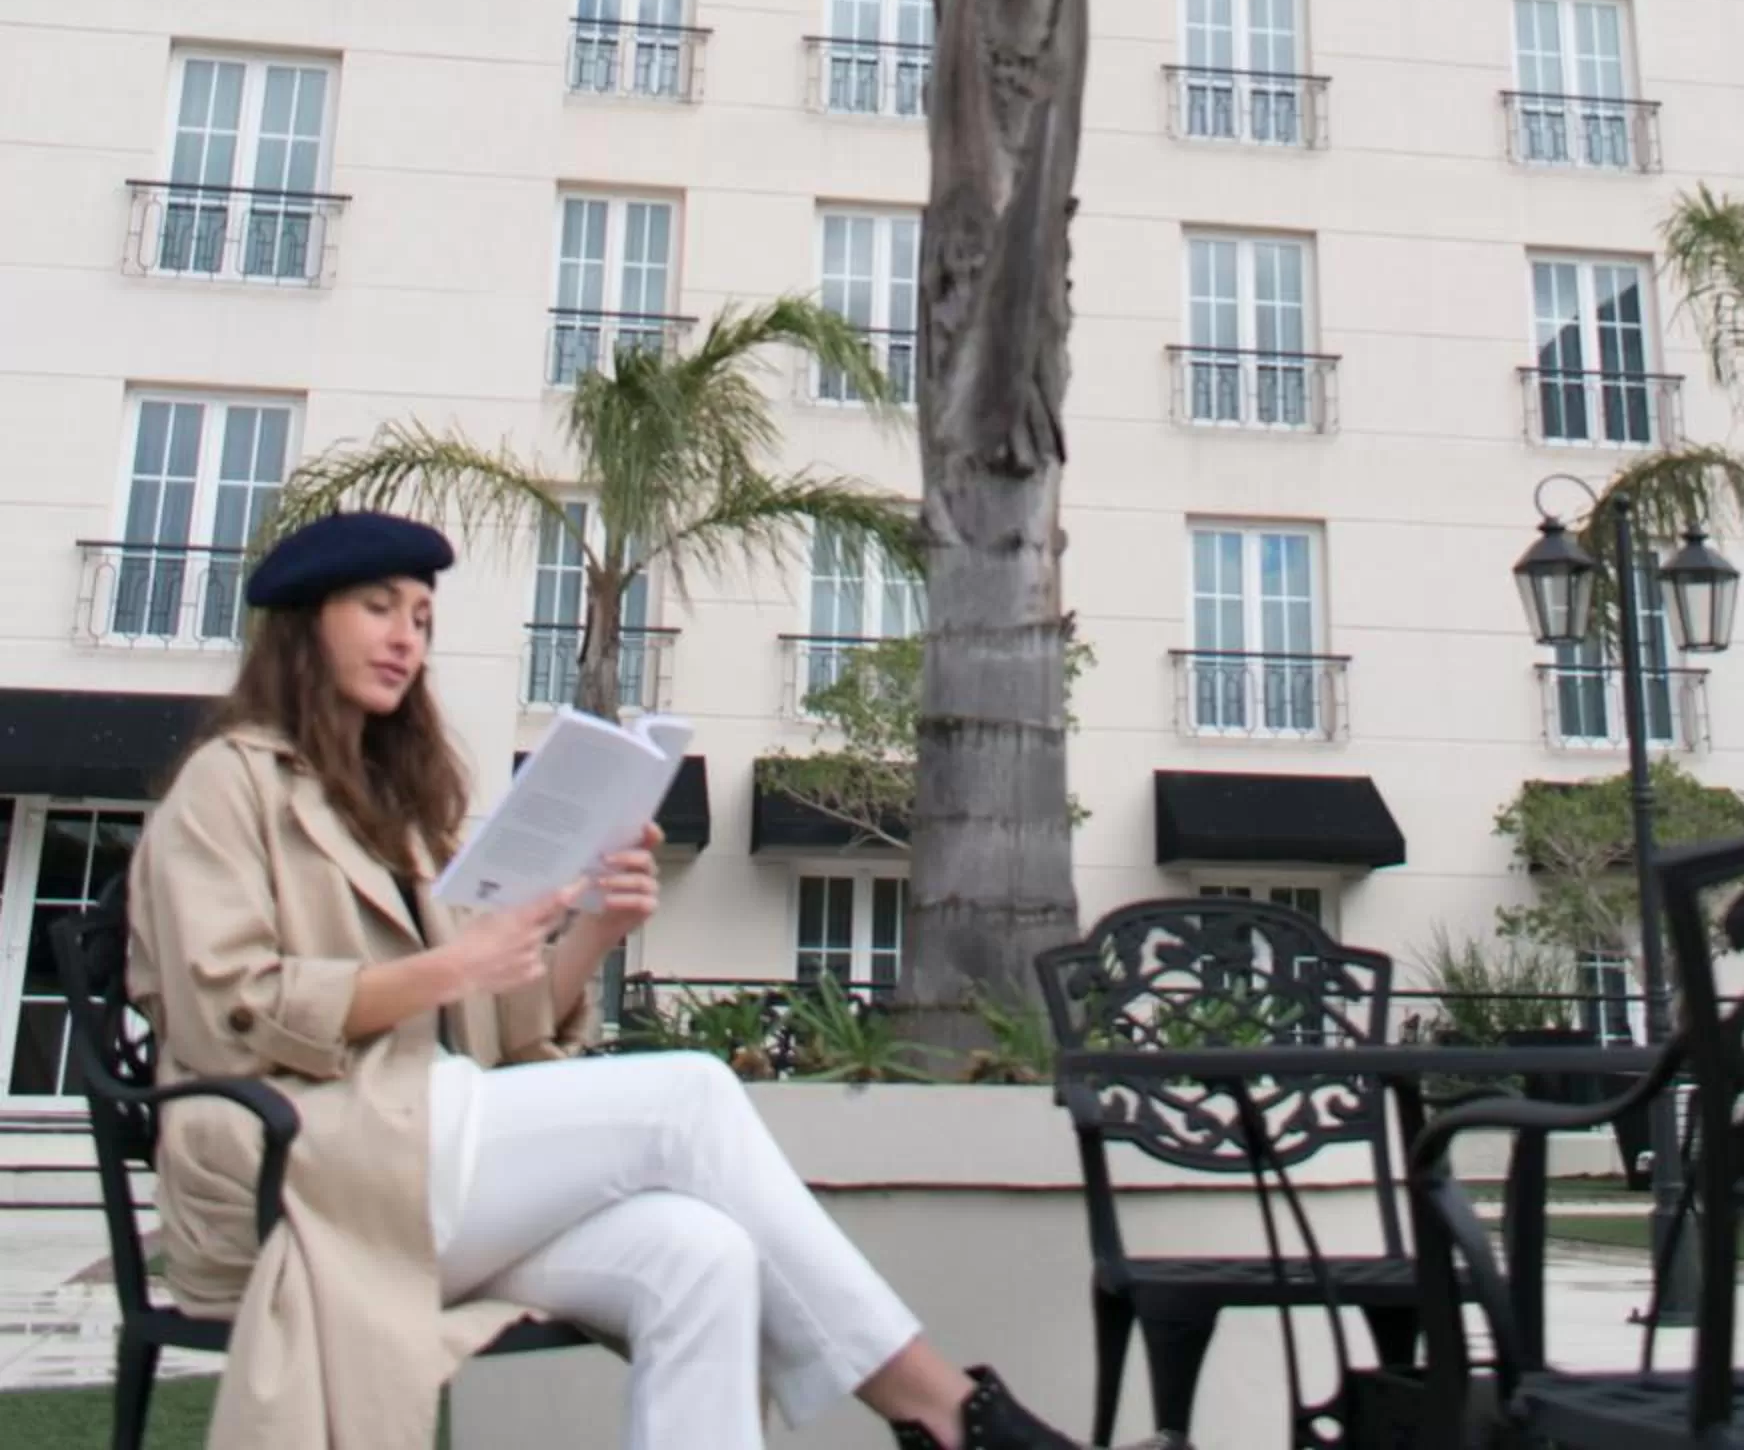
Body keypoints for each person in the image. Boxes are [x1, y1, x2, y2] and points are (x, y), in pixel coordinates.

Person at [128, 510, 1139, 1450]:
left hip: (424, 1152)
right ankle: (945, 1412)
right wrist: (450, 963)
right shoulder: (228, 784)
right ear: (304, 626)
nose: (407, 638)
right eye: (379, 608)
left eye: (424, 618)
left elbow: (498, 1026)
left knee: (698, 1252)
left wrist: (597, 926)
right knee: (688, 1091)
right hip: (298, 1168)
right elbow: (233, 1009)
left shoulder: (393, 810)